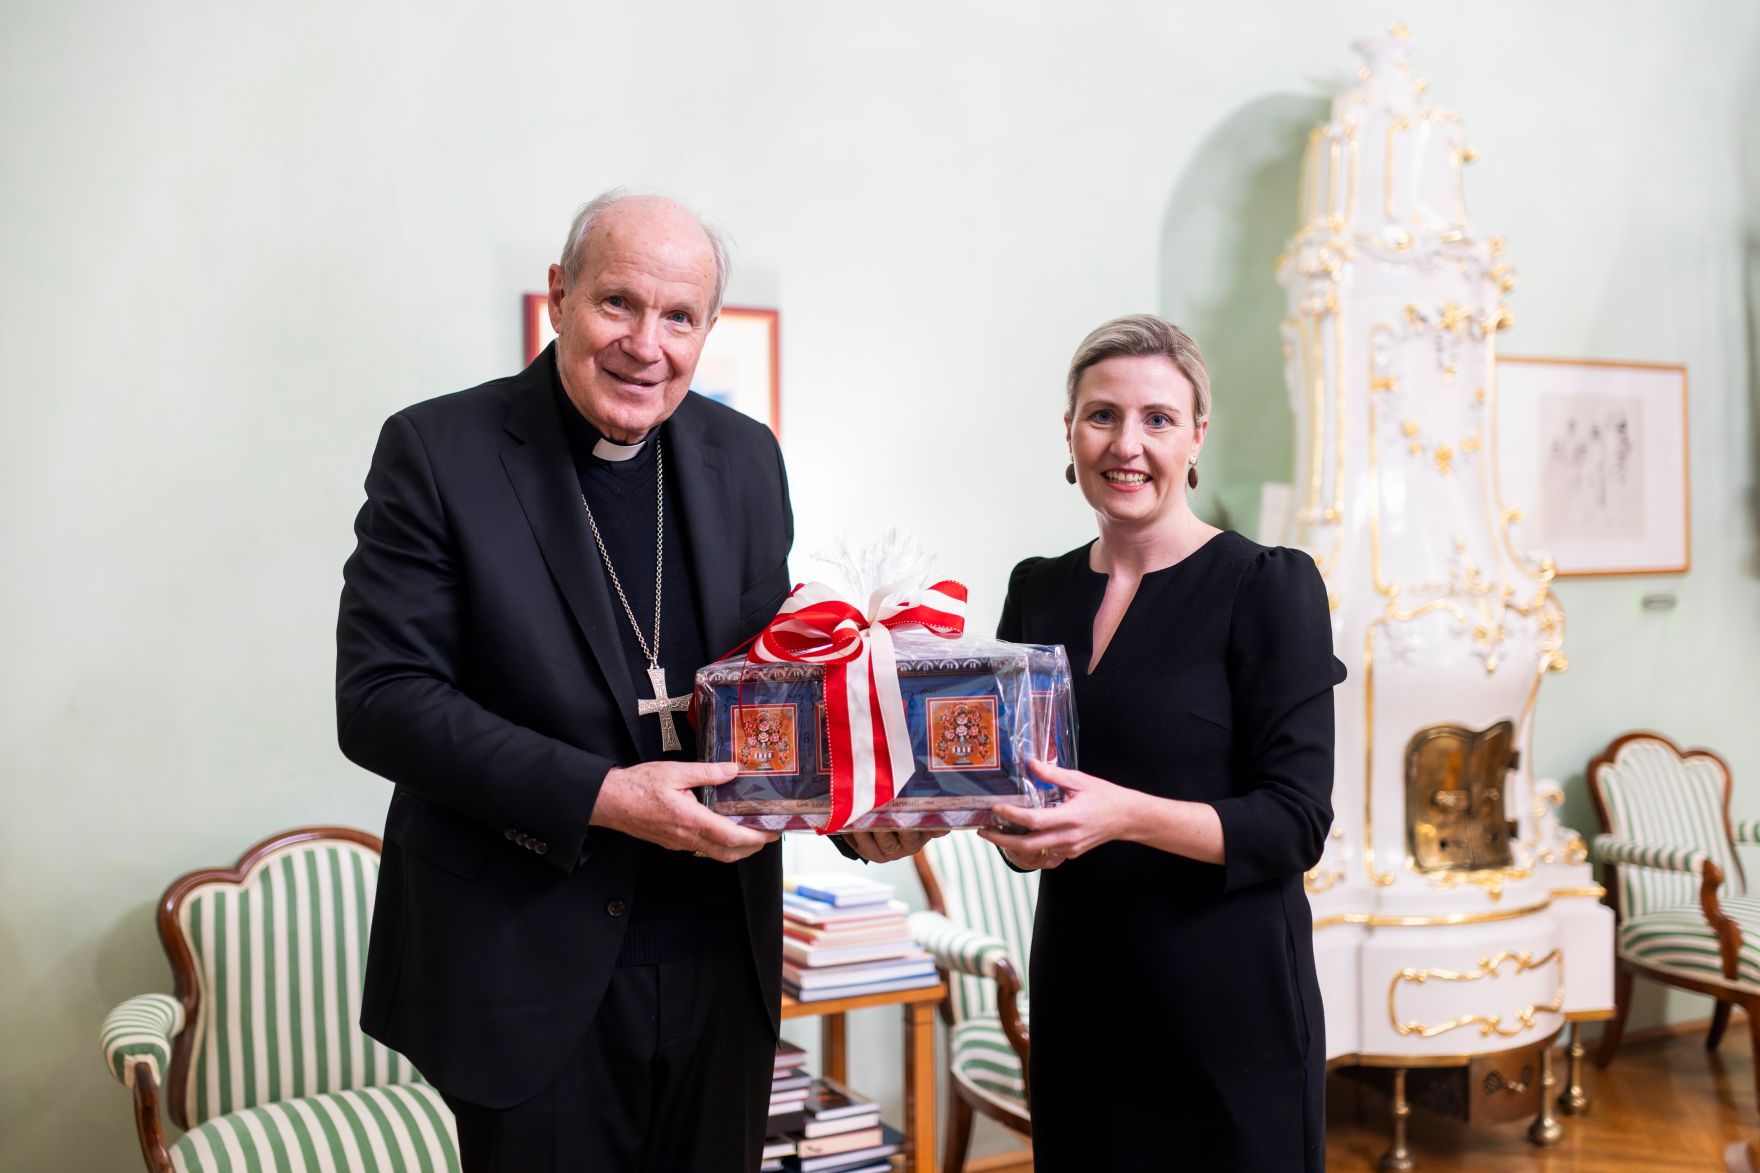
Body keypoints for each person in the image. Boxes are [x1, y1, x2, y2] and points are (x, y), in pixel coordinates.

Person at [337, 189, 928, 1172]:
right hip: (528, 960)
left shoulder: (745, 457)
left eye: (679, 317)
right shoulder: (440, 451)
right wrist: (606, 795)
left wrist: (855, 807)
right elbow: (383, 700)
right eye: (618, 303)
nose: (645, 345)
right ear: (560, 295)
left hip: (720, 957)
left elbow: (770, 689)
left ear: (706, 330)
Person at [977, 314, 1343, 1172]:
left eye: (1158, 418)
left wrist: (1123, 815)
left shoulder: (1269, 586)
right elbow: (1022, 795)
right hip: (1079, 996)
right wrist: (1009, 833)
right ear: (1070, 431)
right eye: (1102, 415)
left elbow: (1295, 823)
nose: (1126, 444)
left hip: (1229, 1013)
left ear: (1196, 436)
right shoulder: (1036, 590)